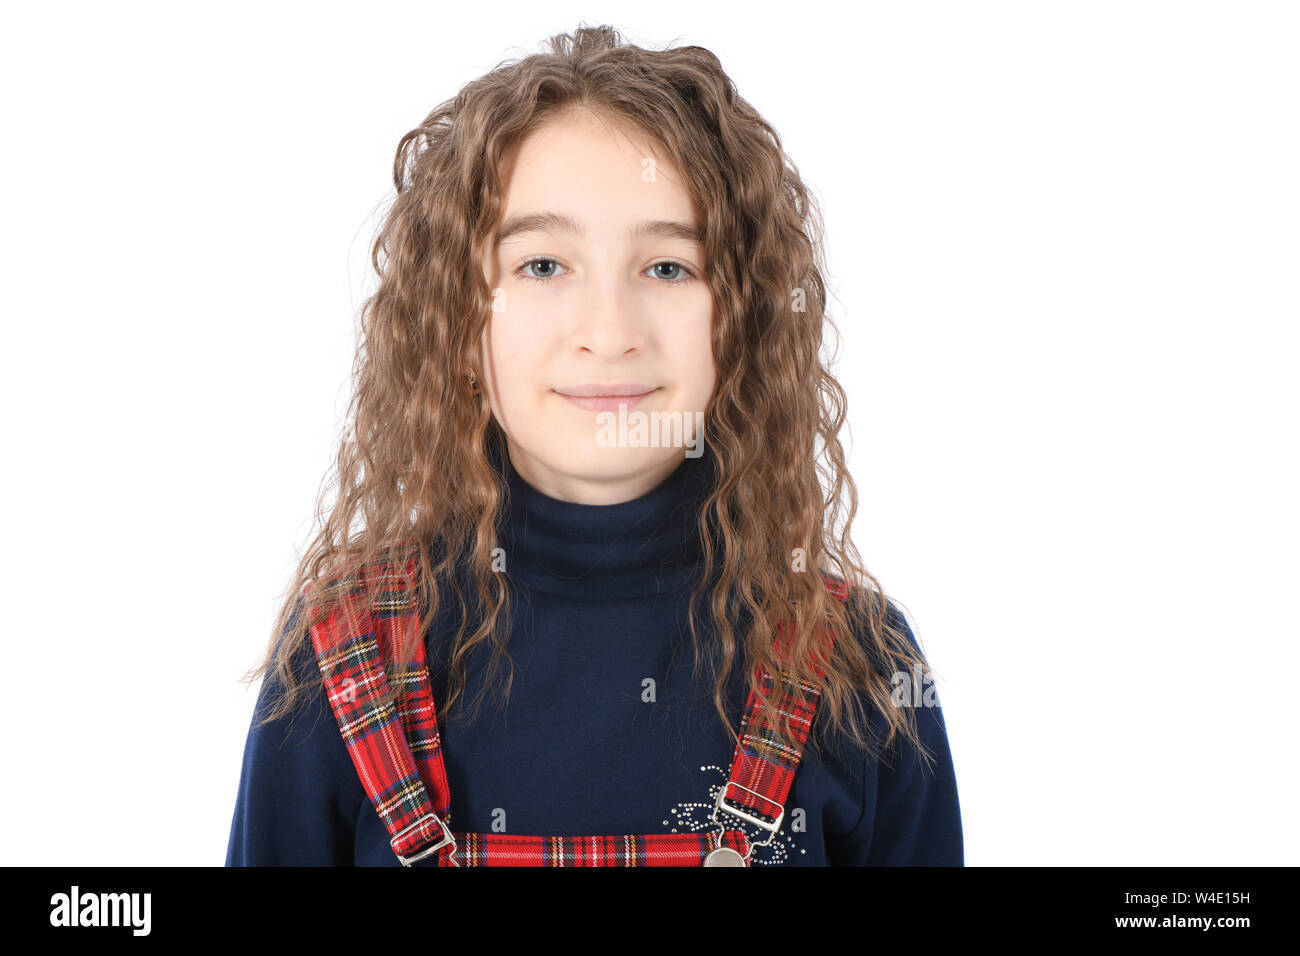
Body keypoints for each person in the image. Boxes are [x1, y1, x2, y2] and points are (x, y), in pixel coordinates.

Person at [225, 23, 962, 867]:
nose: (608, 333)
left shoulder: (858, 670)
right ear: (460, 323)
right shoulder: (342, 660)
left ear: (747, 322)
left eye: (668, 268)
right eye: (543, 265)